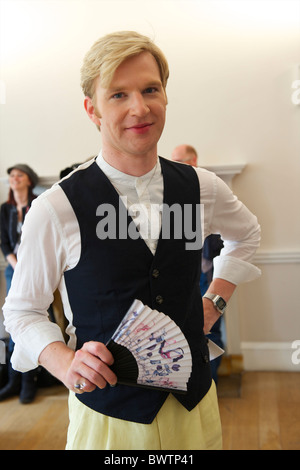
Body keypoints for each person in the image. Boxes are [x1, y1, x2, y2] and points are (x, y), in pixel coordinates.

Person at [3, 31, 261, 450]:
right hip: (108, 418)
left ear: (165, 96)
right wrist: (64, 361)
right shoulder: (56, 208)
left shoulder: (203, 188)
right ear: (93, 110)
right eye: (118, 95)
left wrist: (214, 302)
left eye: (150, 89)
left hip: (194, 405)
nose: (139, 108)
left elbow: (246, 234)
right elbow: (22, 311)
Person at [171, 144, 224, 383]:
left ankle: (210, 379)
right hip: (184, 274)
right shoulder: (172, 191)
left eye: (178, 160)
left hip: (209, 271)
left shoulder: (210, 189)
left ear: (192, 161)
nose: (173, 165)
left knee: (211, 327)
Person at [0, 163, 39, 403]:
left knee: (32, 321)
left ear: (29, 181)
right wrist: (17, 266)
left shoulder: (38, 204)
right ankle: (15, 381)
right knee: (14, 323)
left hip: (36, 269)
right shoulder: (5, 210)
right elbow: (4, 243)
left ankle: (28, 382)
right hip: (14, 270)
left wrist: (27, 267)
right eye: (11, 176)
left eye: (19, 175)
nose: (14, 179)